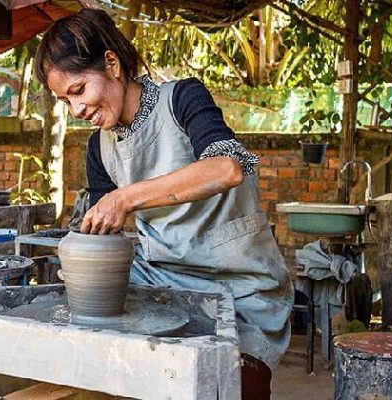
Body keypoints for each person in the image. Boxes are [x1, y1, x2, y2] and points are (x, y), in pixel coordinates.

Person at [35, 8, 294, 399]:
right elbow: (107, 241)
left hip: (238, 287)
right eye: (64, 101)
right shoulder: (99, 148)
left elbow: (227, 168)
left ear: (111, 63)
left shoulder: (183, 99)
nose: (77, 110)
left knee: (229, 384)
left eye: (78, 91)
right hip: (161, 283)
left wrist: (125, 197)